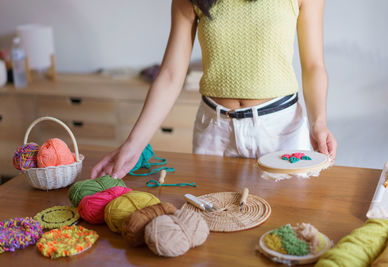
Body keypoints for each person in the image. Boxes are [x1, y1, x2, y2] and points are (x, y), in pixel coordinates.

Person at [91, 0, 337, 179]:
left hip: (281, 131)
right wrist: (133, 145)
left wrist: (319, 122)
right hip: (214, 132)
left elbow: (314, 66)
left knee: (284, 228)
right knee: (213, 233)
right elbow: (170, 75)